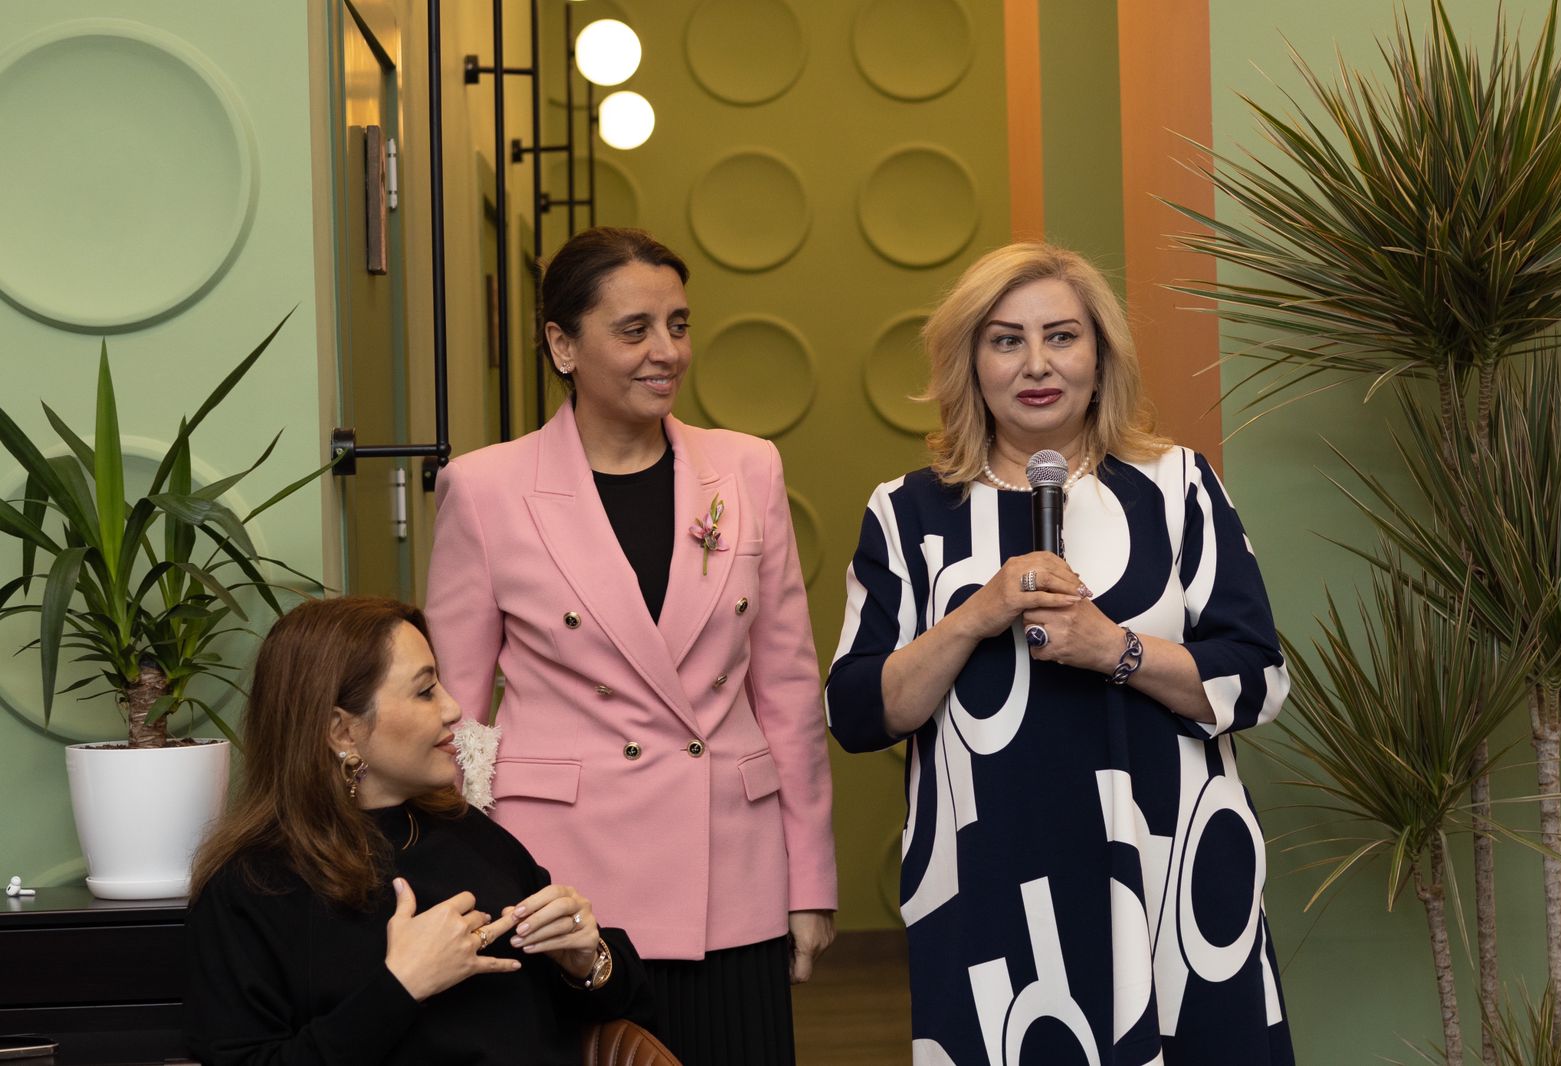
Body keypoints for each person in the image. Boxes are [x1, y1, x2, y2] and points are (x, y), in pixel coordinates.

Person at [826, 242, 1294, 1065]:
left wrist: (1115, 648)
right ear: (968, 363)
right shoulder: (907, 512)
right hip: (991, 890)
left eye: (1062, 336)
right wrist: (977, 616)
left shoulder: (1177, 487)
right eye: (1005, 340)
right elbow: (861, 711)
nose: (1036, 364)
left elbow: (1257, 677)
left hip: (1167, 875)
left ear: (1100, 355)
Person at [426, 226, 837, 1065]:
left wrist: (809, 883)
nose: (666, 352)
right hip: (562, 891)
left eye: (679, 325)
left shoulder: (747, 469)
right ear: (561, 343)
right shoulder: (486, 488)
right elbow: (455, 721)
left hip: (734, 874)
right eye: (635, 329)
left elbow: (789, 691)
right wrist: (465, 892)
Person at [186, 596, 649, 1066]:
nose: (452, 709)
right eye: (425, 691)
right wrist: (401, 987)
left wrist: (588, 961)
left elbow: (606, 1005)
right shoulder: (251, 886)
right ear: (341, 732)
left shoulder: (470, 833)